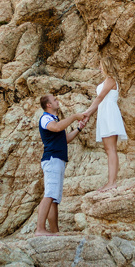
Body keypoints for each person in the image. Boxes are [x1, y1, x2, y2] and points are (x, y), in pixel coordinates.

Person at [35, 94, 88, 236]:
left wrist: (79, 128)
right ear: (49, 105)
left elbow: (65, 139)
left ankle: (55, 232)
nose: (57, 101)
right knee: (49, 194)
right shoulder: (46, 118)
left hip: (57, 160)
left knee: (54, 198)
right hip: (52, 159)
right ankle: (40, 229)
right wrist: (74, 117)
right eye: (54, 100)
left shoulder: (54, 119)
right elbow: (57, 128)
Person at [82, 56, 127, 191]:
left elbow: (100, 97)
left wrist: (87, 113)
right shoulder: (108, 80)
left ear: (106, 65)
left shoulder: (110, 80)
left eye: (101, 65)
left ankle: (112, 182)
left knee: (111, 149)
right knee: (109, 149)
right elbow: (100, 99)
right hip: (105, 113)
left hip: (109, 114)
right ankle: (110, 181)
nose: (99, 68)